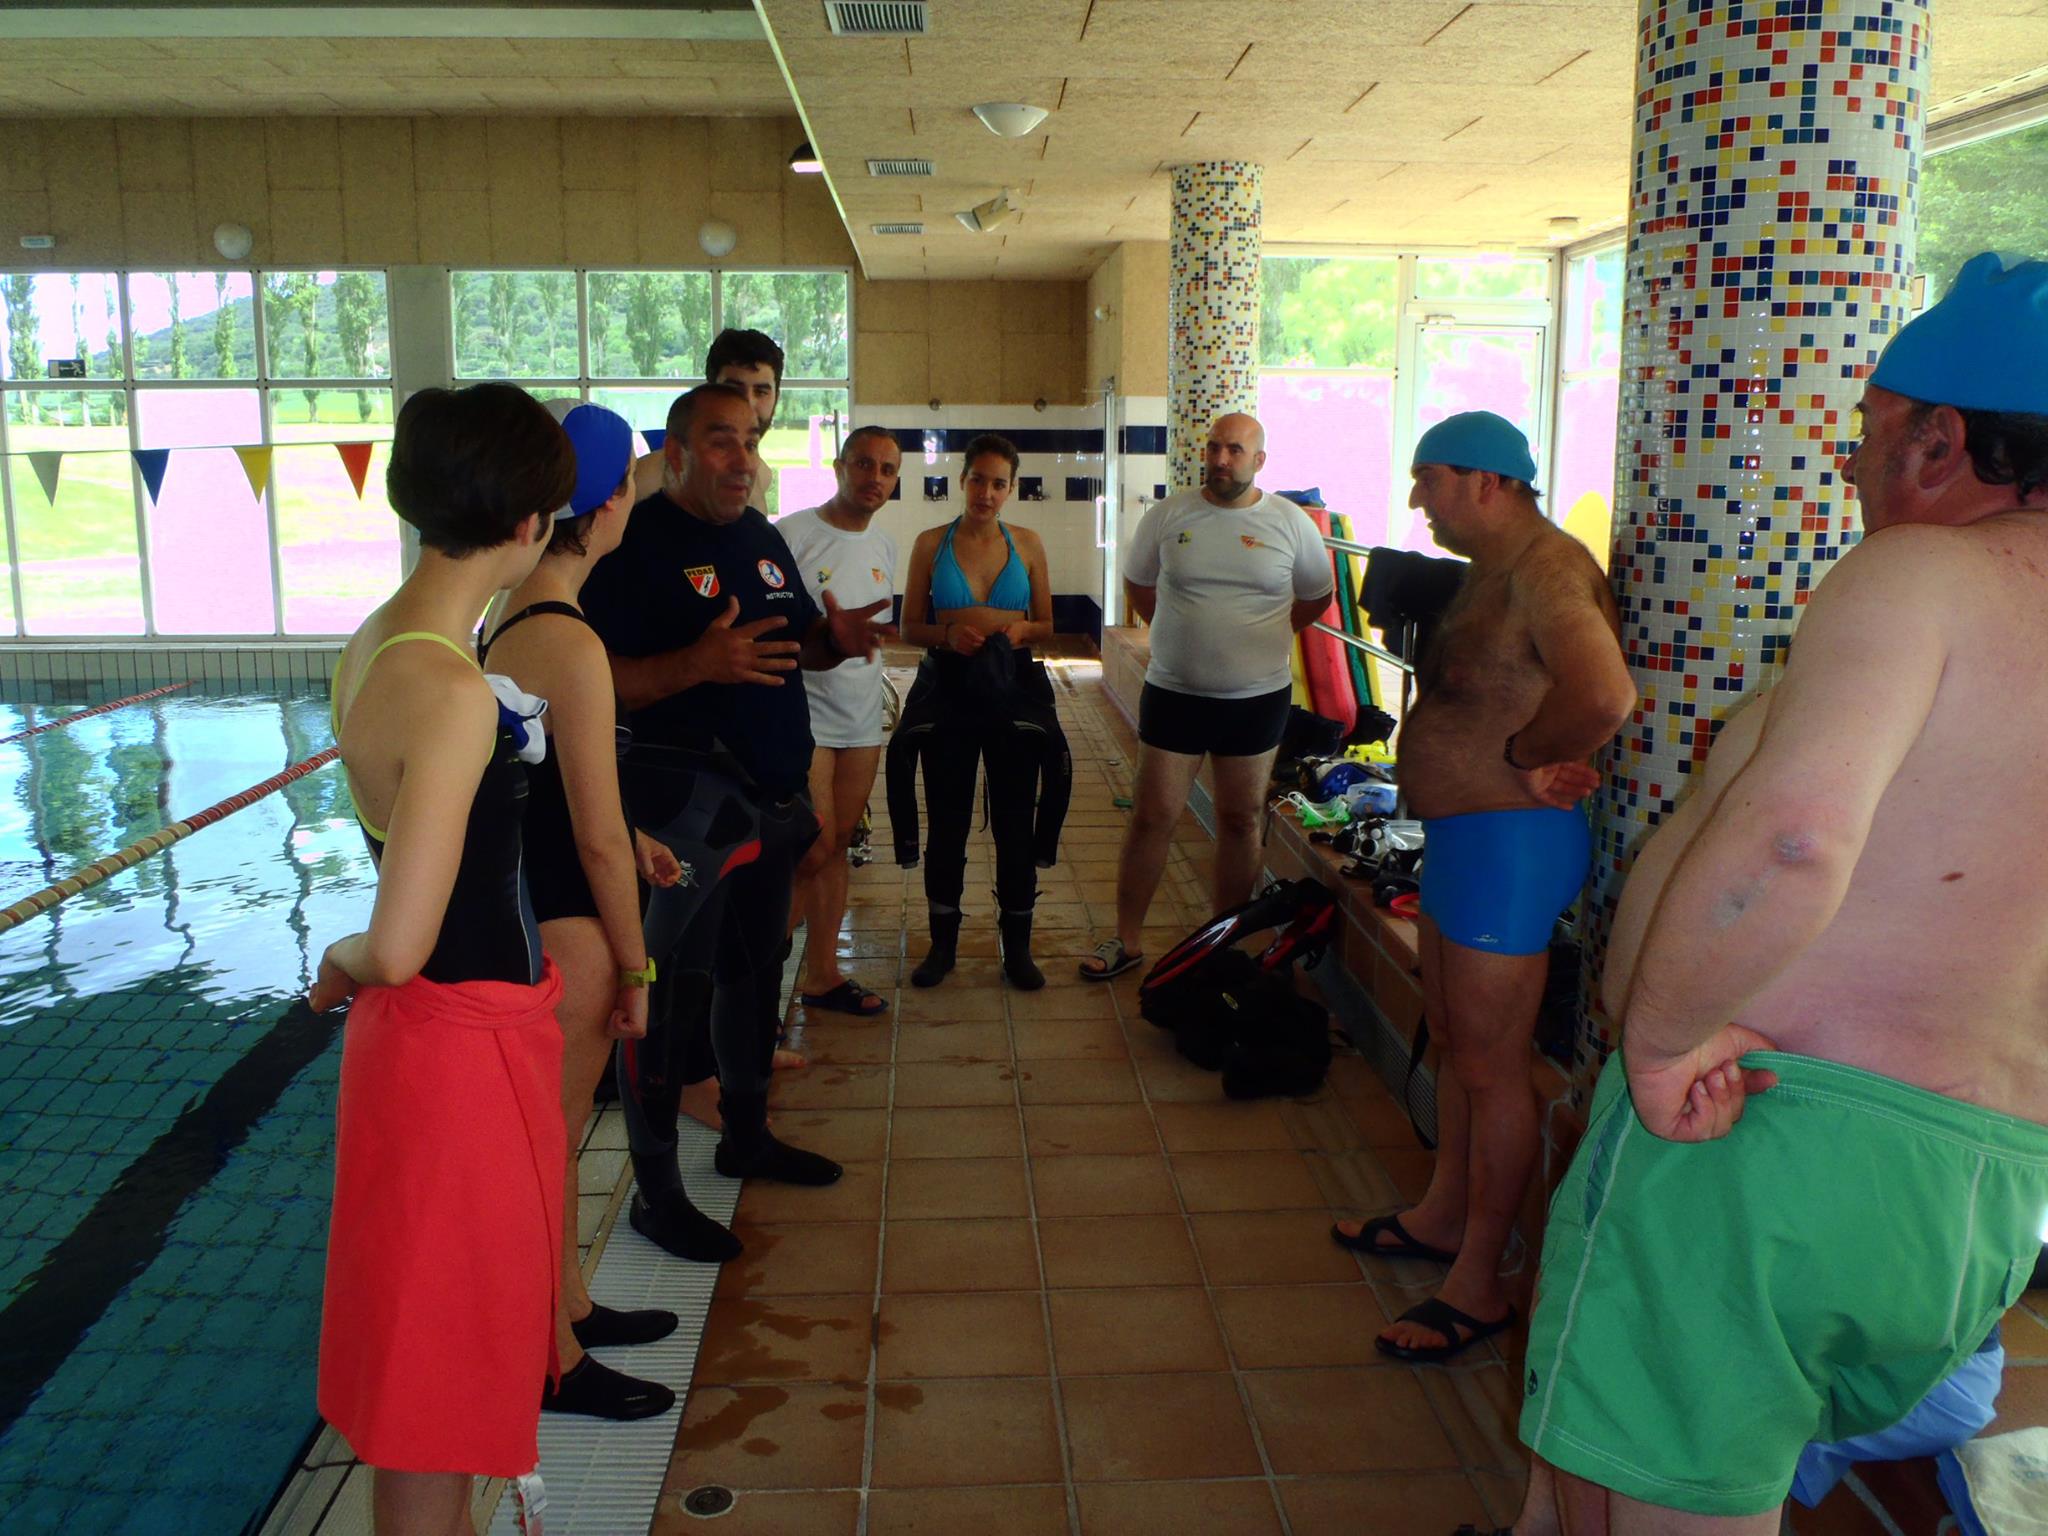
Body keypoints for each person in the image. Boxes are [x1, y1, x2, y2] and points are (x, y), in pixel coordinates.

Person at [1511, 251, 2048, 1535]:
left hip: (1763, 1129)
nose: (1848, 468)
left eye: (1863, 434)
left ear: (1937, 438)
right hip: (1979, 1193)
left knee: (1673, 1500)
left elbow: (1795, 841)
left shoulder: (1919, 576)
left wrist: (1655, 1044)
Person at [310, 383, 574, 1534]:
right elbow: (404, 942)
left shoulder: (379, 642)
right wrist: (339, 950)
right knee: (437, 1390)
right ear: (530, 527)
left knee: (429, 1378)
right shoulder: (455, 692)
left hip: (437, 1054)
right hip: (454, 1058)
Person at [1329, 410, 1636, 1365]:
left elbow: (1604, 694)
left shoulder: (1547, 569)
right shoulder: (1492, 573)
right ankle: (1442, 1212)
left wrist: (1529, 755)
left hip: (1513, 849)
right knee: (1463, 1046)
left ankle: (1480, 1282)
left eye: (1430, 478)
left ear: (1489, 482)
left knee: (1496, 1069)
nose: (1417, 497)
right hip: (1469, 843)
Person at [580, 381, 891, 1255]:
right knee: (669, 1002)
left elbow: (794, 643)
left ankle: (746, 1137)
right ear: (673, 454)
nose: (742, 459)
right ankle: (658, 1191)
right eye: (721, 441)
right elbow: (594, 679)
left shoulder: (756, 537)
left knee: (757, 976)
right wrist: (698, 662)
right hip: (683, 812)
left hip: (768, 806)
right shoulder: (634, 543)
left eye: (750, 441)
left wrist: (839, 638)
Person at [479, 402, 688, 1423]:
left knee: (551, 1147)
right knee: (544, 1153)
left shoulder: (507, 621)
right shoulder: (572, 641)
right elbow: (597, 840)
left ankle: (569, 1307)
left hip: (532, 907)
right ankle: (551, 1359)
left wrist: (629, 834)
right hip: (573, 931)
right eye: (630, 492)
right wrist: (638, 965)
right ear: (606, 508)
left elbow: (549, 791)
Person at [1080, 412, 1336, 982]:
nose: (1221, 459)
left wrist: (1264, 635)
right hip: (1175, 693)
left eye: (1235, 451)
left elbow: (1318, 596)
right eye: (1214, 448)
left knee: (1241, 820)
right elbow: (1139, 584)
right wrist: (1182, 632)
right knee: (1152, 817)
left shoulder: (1291, 523)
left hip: (1256, 699)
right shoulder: (1170, 516)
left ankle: (1223, 940)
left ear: (1259, 460)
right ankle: (1126, 938)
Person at [891, 433, 1065, 990]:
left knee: (1015, 822)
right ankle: (943, 946)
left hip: (1011, 686)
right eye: (977, 480)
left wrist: (1019, 631)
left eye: (998, 483)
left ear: (1011, 489)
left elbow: (1047, 624)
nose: (985, 492)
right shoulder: (929, 543)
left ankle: (1018, 948)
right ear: (961, 480)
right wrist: (945, 633)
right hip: (950, 688)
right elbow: (907, 627)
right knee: (948, 823)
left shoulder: (1030, 544)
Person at [778, 425, 904, 1016]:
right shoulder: (792, 536)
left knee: (836, 845)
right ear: (839, 466)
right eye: (862, 464)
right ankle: (757, 976)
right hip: (802, 715)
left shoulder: (883, 546)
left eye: (885, 469)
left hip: (859, 717)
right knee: (809, 846)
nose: (873, 478)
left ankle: (823, 975)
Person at [633, 327, 784, 510]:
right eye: (734, 390)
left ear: (776, 397)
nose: (748, 404)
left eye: (761, 392)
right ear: (709, 391)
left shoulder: (762, 475)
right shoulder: (647, 480)